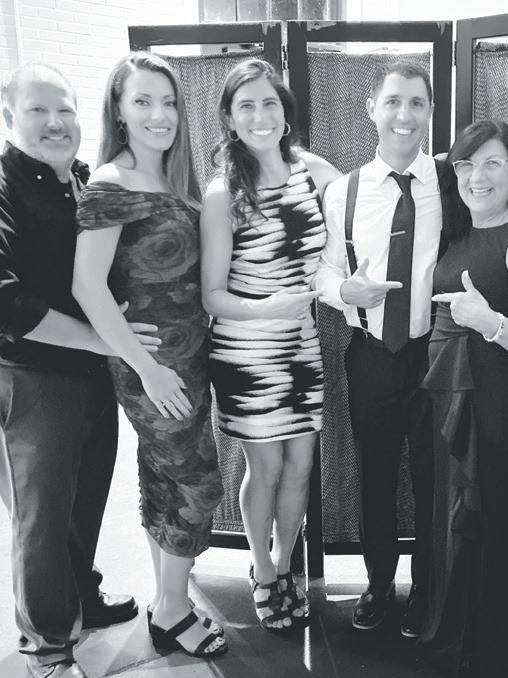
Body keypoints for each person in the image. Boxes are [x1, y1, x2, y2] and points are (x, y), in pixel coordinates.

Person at [0, 63, 149, 678]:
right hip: (27, 379)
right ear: (9, 117)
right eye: (38, 111)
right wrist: (104, 341)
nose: (56, 123)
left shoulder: (82, 184)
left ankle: (80, 595)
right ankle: (47, 643)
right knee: (40, 518)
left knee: (84, 501)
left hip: (90, 376)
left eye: (65, 110)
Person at [72, 52, 226, 659]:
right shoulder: (112, 182)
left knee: (165, 479)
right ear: (119, 110)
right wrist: (146, 367)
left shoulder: (176, 181)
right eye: (142, 101)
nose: (159, 114)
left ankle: (168, 605)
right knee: (200, 484)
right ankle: (174, 609)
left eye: (168, 102)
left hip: (189, 360)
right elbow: (87, 286)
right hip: (152, 365)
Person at [313, 60, 453, 637]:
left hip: (436, 353)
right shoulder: (343, 192)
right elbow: (322, 270)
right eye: (393, 101)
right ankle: (377, 584)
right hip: (370, 352)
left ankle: (428, 588)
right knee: (375, 474)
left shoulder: (451, 182)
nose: (404, 114)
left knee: (433, 479)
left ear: (430, 112)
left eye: (416, 102)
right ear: (372, 109)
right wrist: (344, 290)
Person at [202, 59, 339, 630]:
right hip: (245, 349)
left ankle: (285, 566)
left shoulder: (315, 171)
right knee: (266, 466)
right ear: (230, 119)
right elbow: (212, 295)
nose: (260, 116)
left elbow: (363, 222)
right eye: (246, 106)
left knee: (301, 466)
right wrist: (267, 308)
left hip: (301, 343)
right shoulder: (222, 192)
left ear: (286, 114)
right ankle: (261, 570)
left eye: (270, 104)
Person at [420, 119, 508, 678]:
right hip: (452, 395)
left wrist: (487, 321)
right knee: (455, 518)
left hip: (499, 402)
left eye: (493, 163)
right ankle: (458, 641)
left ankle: (497, 656)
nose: (478, 176)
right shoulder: (458, 233)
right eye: (467, 164)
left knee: (494, 520)